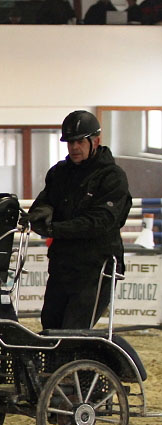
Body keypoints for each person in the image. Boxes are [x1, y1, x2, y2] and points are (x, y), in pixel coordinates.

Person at [28, 111, 131, 330]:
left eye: (80, 141)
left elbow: (100, 222)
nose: (74, 147)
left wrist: (55, 228)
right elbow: (44, 202)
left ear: (96, 141)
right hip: (62, 265)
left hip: (95, 268)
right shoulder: (59, 173)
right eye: (70, 142)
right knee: (50, 327)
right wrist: (42, 212)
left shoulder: (112, 176)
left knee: (75, 331)